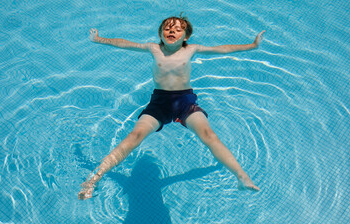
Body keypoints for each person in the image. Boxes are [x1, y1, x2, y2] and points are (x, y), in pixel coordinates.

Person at [78, 15, 265, 200]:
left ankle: (241, 176)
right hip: (160, 103)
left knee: (208, 134)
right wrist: (99, 39)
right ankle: (93, 178)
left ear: (186, 37)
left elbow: (223, 49)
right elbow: (125, 43)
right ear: (160, 34)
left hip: (185, 102)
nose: (171, 31)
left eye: (177, 29)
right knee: (135, 136)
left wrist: (252, 45)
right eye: (167, 28)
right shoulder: (154, 48)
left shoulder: (192, 49)